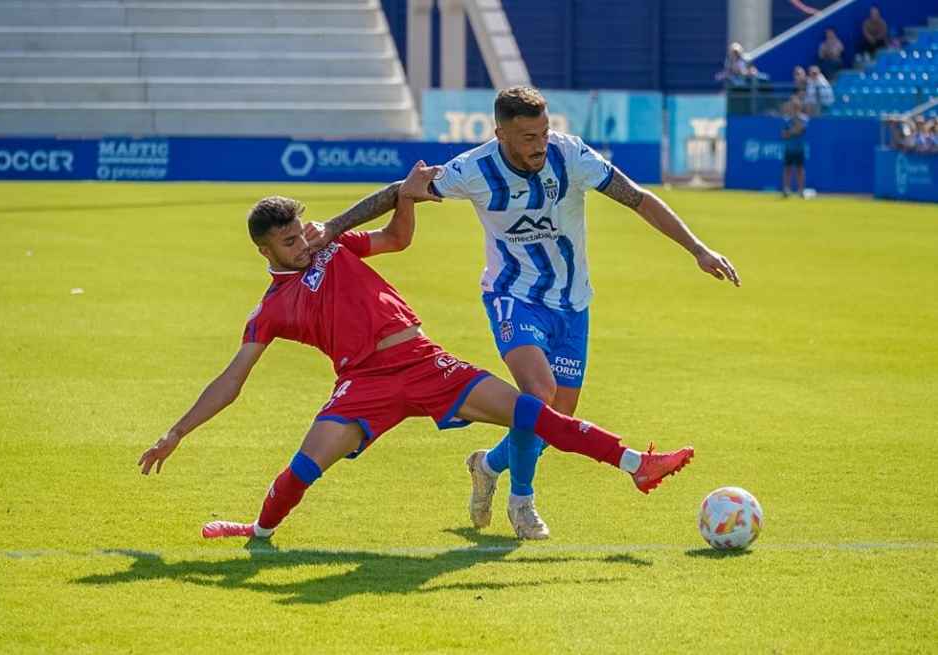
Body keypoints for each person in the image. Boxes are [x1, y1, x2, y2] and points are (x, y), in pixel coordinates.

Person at [137, 163, 696, 541]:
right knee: (304, 468)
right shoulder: (271, 309)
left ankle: (636, 465)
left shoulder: (332, 246)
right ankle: (256, 532)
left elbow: (396, 239)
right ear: (265, 250)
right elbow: (233, 379)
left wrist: (406, 198)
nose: (306, 244)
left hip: (427, 363)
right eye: (290, 243)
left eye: (304, 232)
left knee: (536, 413)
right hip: (364, 386)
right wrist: (176, 433)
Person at [385, 87, 737, 540]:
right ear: (501, 135)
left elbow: (638, 198)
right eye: (528, 136)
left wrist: (698, 249)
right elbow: (400, 191)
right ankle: (522, 503)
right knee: (537, 392)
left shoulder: (571, 156)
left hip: (573, 303)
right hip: (513, 296)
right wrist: (333, 229)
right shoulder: (472, 169)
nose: (539, 144)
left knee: (557, 415)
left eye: (544, 132)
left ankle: (487, 465)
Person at [782, 97, 808, 198]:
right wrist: (793, 131)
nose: (793, 109)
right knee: (787, 169)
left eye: (795, 107)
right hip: (789, 148)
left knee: (800, 170)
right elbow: (784, 134)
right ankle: (786, 189)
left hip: (799, 148)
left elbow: (800, 130)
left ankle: (801, 190)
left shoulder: (804, 119)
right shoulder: (787, 120)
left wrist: (791, 131)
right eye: (792, 107)